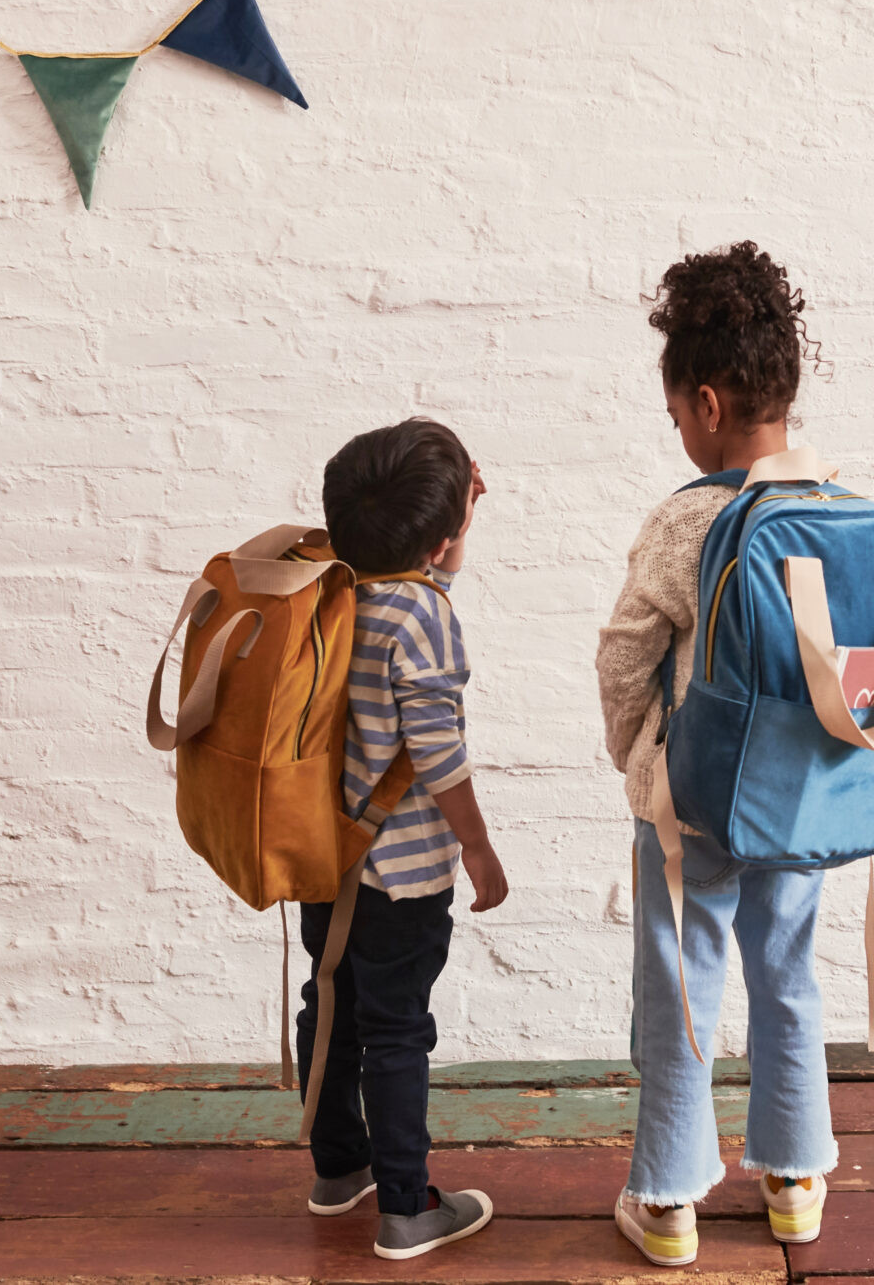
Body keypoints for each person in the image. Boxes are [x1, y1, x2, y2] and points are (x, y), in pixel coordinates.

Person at [596, 242, 835, 1266]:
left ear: (700, 404)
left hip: (690, 805)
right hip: (800, 802)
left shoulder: (687, 521)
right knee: (787, 973)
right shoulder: (830, 511)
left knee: (681, 982)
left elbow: (624, 656)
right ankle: (793, 1183)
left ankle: (667, 1203)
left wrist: (635, 760)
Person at [302, 417, 509, 1261]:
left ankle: (336, 1170)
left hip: (328, 857)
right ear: (437, 537)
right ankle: (406, 1207)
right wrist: (480, 847)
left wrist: (452, 520)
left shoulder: (331, 590)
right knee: (397, 1031)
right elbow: (436, 749)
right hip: (401, 873)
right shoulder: (421, 613)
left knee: (331, 1009)